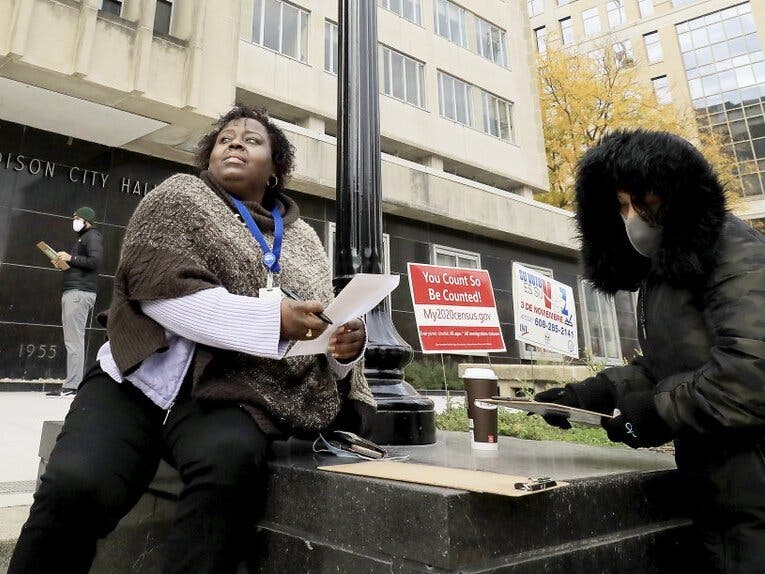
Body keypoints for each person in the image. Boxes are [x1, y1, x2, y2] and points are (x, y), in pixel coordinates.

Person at [9, 106, 376, 574]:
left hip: (230, 393)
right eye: (225, 138)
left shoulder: (305, 241)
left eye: (252, 140)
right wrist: (273, 319)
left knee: (232, 467)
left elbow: (319, 330)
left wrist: (345, 350)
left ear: (276, 169)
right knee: (76, 485)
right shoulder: (179, 197)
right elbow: (160, 294)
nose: (235, 143)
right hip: (136, 381)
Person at [535, 129, 765, 573]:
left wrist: (656, 413)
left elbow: (752, 371)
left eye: (642, 202)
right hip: (723, 491)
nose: (631, 217)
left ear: (675, 193)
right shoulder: (668, 269)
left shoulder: (738, 255)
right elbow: (669, 364)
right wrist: (591, 395)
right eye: (621, 206)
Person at [47, 206, 103, 397]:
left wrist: (70, 257)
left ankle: (72, 386)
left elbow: (95, 262)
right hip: (75, 290)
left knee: (74, 340)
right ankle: (71, 384)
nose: (75, 221)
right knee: (72, 340)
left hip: (79, 293)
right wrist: (64, 264)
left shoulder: (92, 236)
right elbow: (82, 265)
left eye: (77, 218)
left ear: (87, 220)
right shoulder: (83, 238)